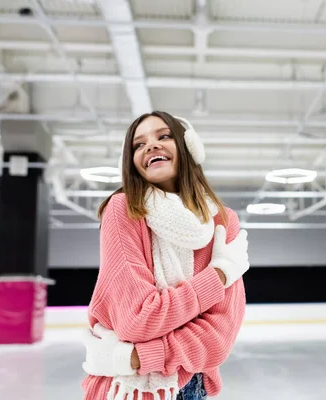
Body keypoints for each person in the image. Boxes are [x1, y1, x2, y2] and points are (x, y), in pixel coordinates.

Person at [80, 111, 250, 400]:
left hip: (188, 386)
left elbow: (219, 338)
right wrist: (219, 275)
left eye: (163, 136)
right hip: (126, 390)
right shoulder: (124, 209)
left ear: (188, 148)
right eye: (139, 144)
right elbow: (137, 319)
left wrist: (134, 356)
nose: (151, 146)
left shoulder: (222, 222)